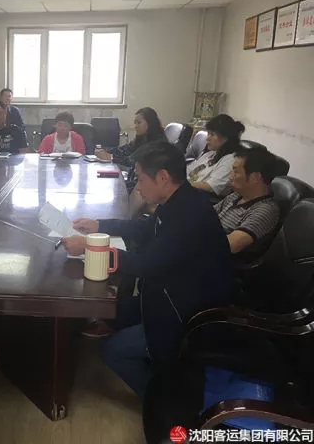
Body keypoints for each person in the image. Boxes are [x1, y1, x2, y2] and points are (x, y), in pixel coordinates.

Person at [62, 141, 233, 397]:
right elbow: (145, 227)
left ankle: (165, 399)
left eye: (141, 179)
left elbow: (146, 264)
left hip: (186, 312)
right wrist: (99, 225)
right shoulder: (180, 199)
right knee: (111, 312)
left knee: (113, 351)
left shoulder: (189, 215)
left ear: (163, 177)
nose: (138, 188)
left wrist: (90, 248)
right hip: (164, 293)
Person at [215, 147, 280, 256]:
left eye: (235, 172)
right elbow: (205, 215)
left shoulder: (265, 210)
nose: (230, 177)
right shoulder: (236, 196)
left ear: (255, 177)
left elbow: (230, 245)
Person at [187, 114, 245, 197]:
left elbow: (210, 186)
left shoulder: (231, 160)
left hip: (200, 197)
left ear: (225, 138)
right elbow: (188, 171)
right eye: (208, 133)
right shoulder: (210, 154)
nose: (207, 138)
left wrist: (182, 186)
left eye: (212, 134)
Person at [95, 107, 166, 167]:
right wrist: (105, 151)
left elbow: (131, 162)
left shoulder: (156, 144)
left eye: (139, 123)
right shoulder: (142, 138)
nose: (136, 126)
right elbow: (124, 149)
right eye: (135, 123)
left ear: (150, 123)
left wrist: (110, 157)